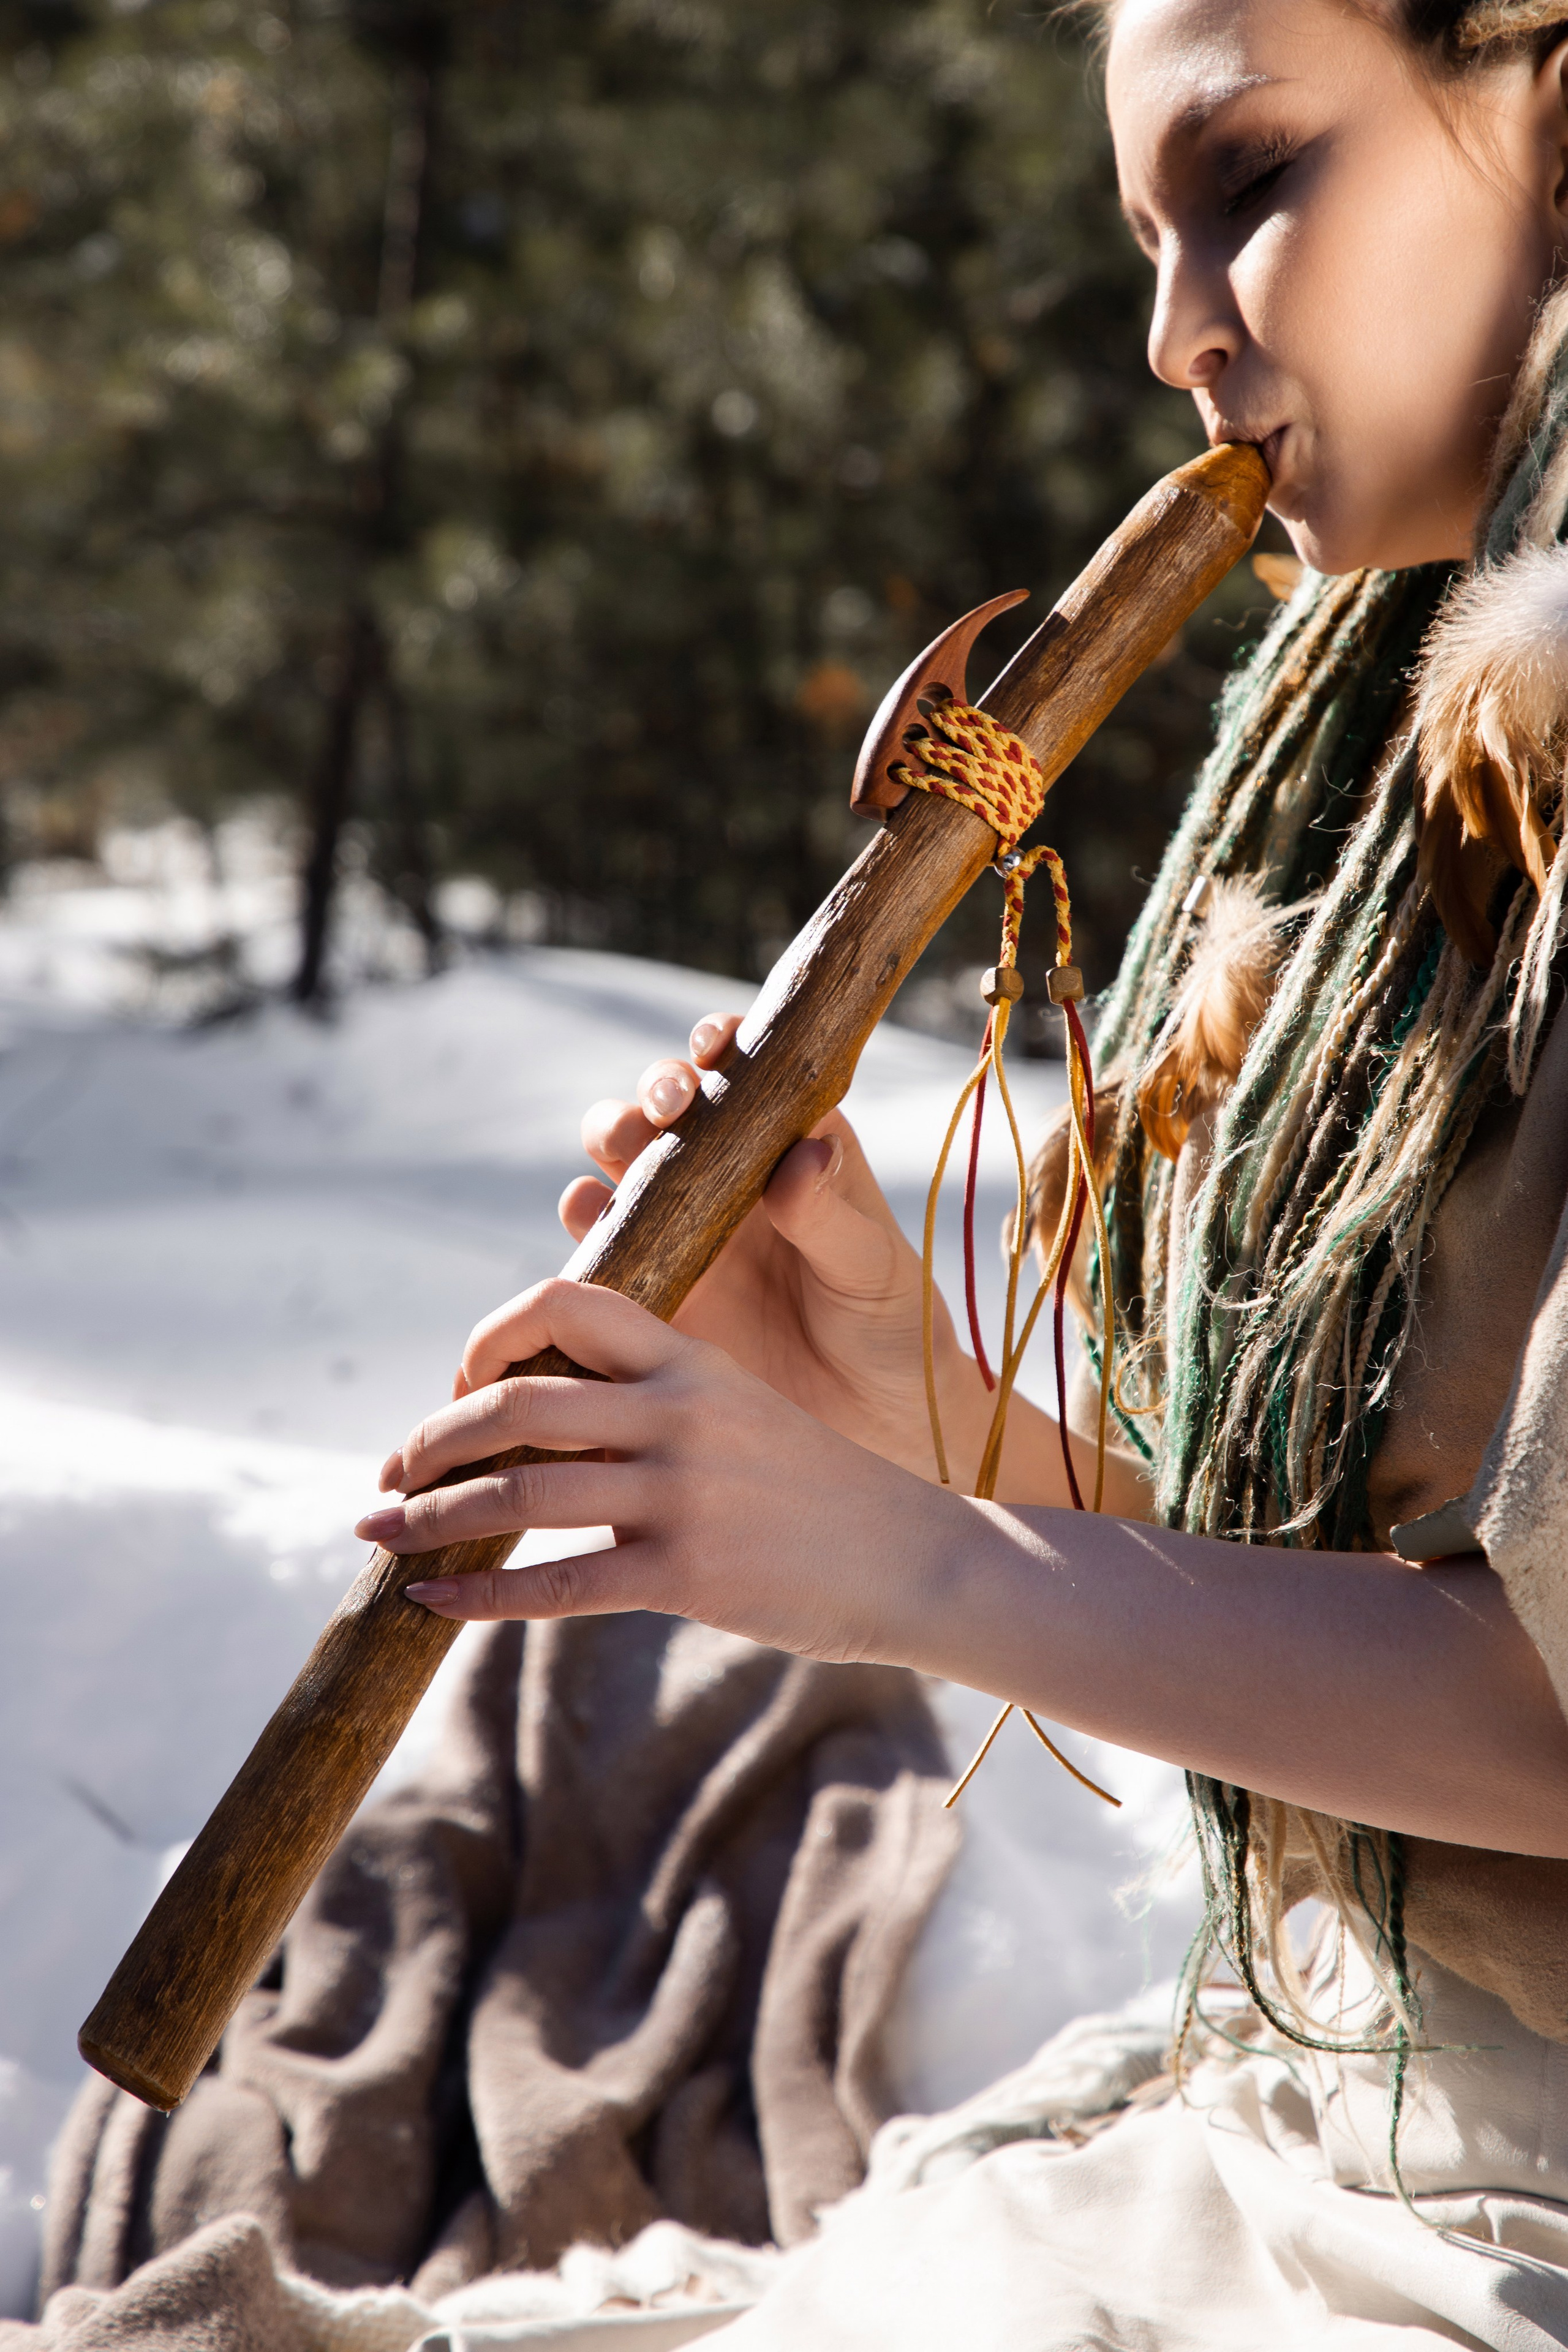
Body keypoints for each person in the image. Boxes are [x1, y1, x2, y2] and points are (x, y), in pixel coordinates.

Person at [351, 0, 1568, 2339]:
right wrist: (915, 1408)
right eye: (1140, 238)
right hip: (1307, 2136)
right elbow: (1425, 1586)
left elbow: (1552, 1706)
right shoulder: (1411, 763)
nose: (1172, 332)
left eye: (1249, 181)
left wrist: (919, 1561)